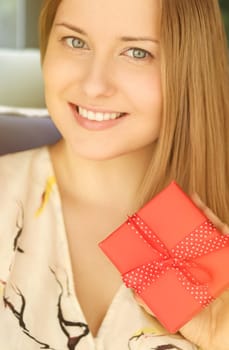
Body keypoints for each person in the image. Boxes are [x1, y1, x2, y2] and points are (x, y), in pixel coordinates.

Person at [0, 0, 228, 349]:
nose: (94, 86)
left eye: (136, 52)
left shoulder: (210, 223)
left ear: (190, 63)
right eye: (76, 42)